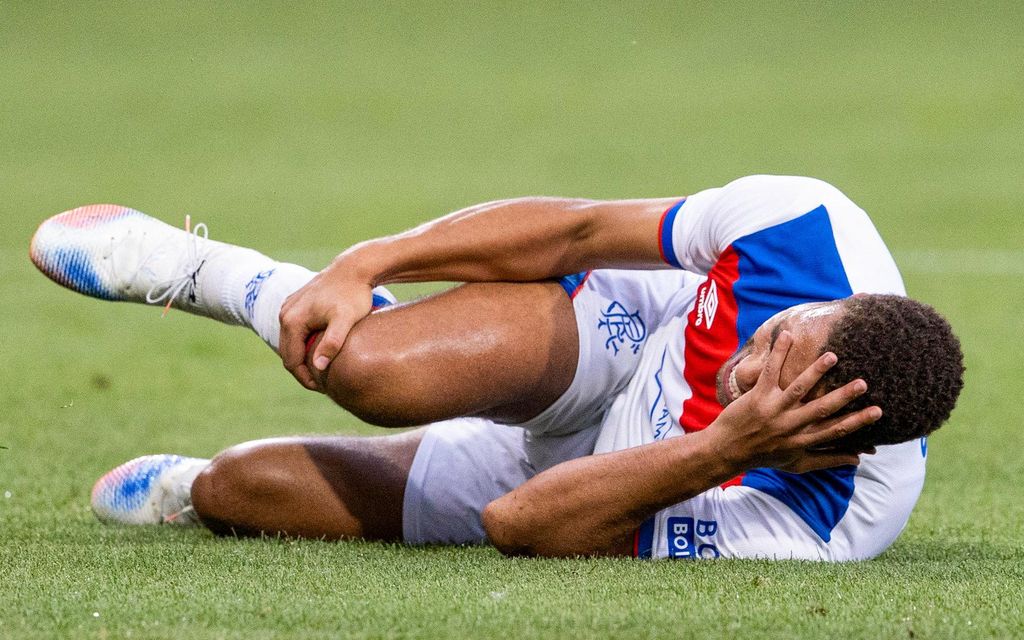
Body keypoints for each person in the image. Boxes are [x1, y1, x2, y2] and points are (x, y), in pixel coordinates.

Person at [30, 175, 964, 560]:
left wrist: (723, 443)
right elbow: (580, 228)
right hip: (617, 343)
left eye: (772, 390)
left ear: (832, 440)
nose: (747, 366)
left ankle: (195, 487)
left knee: (241, 491)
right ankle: (215, 274)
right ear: (819, 303)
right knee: (368, 370)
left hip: (621, 481)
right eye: (775, 336)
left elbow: (518, 522)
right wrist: (368, 262)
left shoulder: (835, 522)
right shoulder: (805, 229)